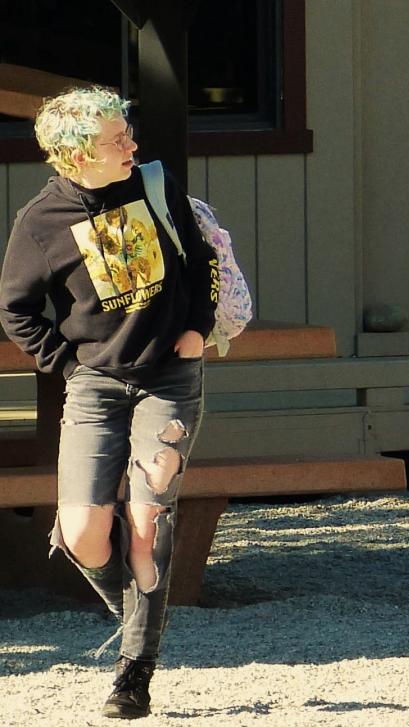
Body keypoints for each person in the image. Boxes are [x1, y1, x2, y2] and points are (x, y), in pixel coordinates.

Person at [0, 87, 218, 719]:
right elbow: (16, 311)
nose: (132, 146)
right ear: (75, 156)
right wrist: (68, 366)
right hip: (94, 388)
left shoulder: (154, 185)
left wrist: (197, 329)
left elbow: (199, 257)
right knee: (85, 536)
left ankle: (135, 670)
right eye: (116, 140)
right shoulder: (40, 222)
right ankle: (139, 608)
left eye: (128, 133)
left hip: (169, 379)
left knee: (147, 522)